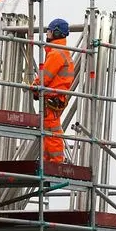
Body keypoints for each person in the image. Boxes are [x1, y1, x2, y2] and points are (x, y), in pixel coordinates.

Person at [31, 18, 77, 164]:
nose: (48, 34)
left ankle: (56, 161)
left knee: (51, 131)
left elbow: (45, 77)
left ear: (56, 33)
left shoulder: (56, 54)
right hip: (56, 98)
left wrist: (34, 86)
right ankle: (48, 160)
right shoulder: (62, 52)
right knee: (49, 131)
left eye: (50, 32)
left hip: (52, 98)